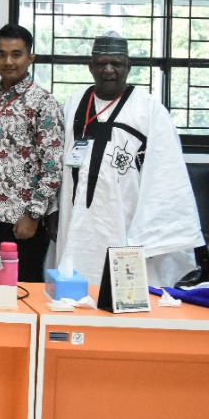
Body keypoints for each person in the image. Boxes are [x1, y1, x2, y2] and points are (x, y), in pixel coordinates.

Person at [55, 33, 203, 286]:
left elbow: (167, 175)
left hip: (125, 220)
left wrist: (152, 233)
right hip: (74, 217)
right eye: (101, 63)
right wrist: (53, 211)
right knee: (73, 288)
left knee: (122, 292)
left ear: (128, 66)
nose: (108, 70)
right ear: (90, 66)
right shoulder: (73, 103)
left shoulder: (149, 110)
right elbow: (55, 161)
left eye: (116, 63)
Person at [0, 24, 63, 282]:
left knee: (20, 292)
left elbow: (53, 167)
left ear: (30, 58)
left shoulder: (44, 103)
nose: (8, 61)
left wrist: (33, 215)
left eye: (16, 54)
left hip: (20, 220)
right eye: (1, 54)